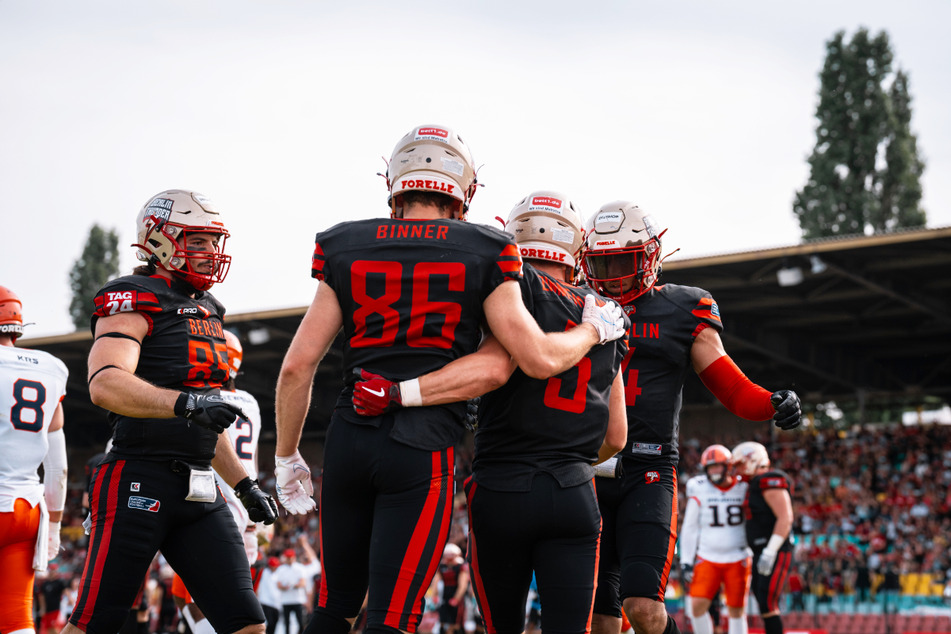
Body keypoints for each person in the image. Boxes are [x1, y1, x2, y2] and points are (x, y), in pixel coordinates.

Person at [274, 127, 626, 634]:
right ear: (463, 189)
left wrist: (287, 456)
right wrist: (593, 329)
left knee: (334, 606)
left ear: (396, 181)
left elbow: (296, 366)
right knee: (392, 617)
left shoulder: (343, 242)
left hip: (348, 439)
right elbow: (528, 359)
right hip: (422, 447)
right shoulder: (487, 249)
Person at [352, 190, 628, 632]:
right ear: (576, 248)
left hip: (501, 490)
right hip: (572, 491)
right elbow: (616, 436)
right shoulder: (608, 315)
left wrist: (399, 391)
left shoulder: (515, 290)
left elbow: (494, 368)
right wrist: (570, 462)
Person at [580, 201, 803, 634]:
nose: (610, 275)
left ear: (649, 258)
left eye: (620, 261)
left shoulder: (683, 309)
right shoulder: (574, 302)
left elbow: (733, 388)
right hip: (584, 470)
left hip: (646, 468)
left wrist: (771, 403)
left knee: (642, 609)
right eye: (600, 263)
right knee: (601, 620)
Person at [63, 189, 278, 634]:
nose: (210, 253)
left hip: (200, 489)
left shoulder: (211, 310)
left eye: (213, 242)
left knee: (246, 625)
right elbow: (105, 383)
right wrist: (186, 403)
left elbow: (207, 418)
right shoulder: (132, 295)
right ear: (160, 240)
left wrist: (245, 486)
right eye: (197, 241)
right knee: (94, 625)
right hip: (138, 477)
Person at [171, 329, 268, 634]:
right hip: (244, 506)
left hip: (216, 506)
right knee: (203, 598)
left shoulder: (201, 399)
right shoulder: (250, 401)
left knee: (195, 598)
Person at [0, 285, 69, 634]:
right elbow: (58, 465)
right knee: (16, 620)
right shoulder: (50, 368)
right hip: (27, 510)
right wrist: (55, 525)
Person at [679, 444, 752, 634]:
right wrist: (686, 560)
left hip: (738, 556)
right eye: (710, 467)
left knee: (737, 610)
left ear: (728, 465)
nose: (714, 471)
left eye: (717, 466)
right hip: (707, 556)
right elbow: (690, 526)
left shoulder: (744, 486)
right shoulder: (699, 487)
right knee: (696, 606)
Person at [732, 441, 794, 634]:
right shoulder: (754, 483)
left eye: (741, 464)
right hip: (762, 549)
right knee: (762, 600)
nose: (738, 470)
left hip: (775, 550)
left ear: (753, 460)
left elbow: (785, 517)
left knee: (768, 601)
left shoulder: (768, 479)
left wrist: (770, 550)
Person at [431, 543, 469, 634]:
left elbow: (462, 585)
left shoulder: (460, 567)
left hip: (457, 599)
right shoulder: (442, 567)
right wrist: (434, 595)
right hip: (444, 597)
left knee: (456, 624)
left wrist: (456, 598)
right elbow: (436, 582)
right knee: (442, 622)